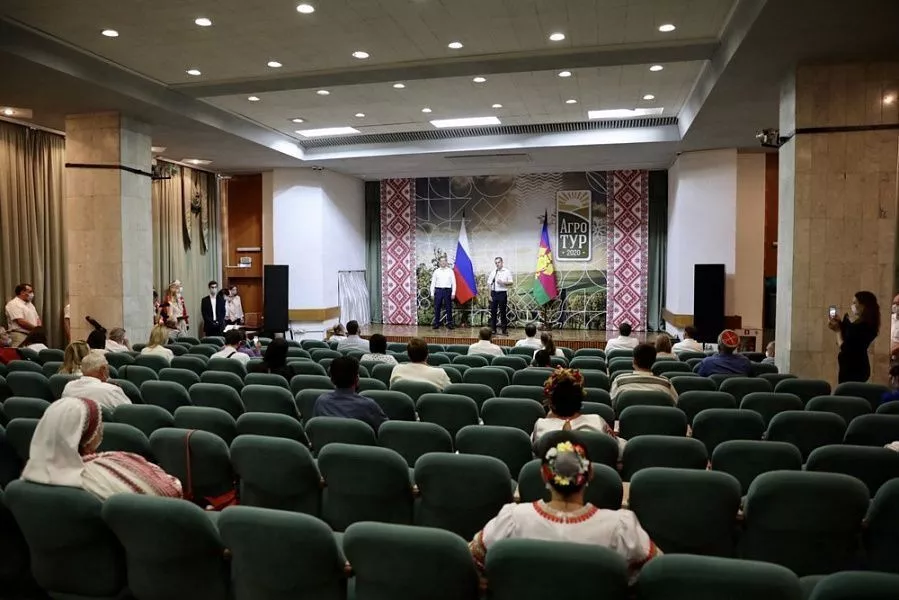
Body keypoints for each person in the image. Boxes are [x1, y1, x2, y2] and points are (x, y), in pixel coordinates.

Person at [469, 432, 659, 581]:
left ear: (543, 474)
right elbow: (659, 575)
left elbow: (470, 560)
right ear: (591, 473)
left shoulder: (512, 520)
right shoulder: (621, 529)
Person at [22, 397, 182, 500]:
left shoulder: (28, 479)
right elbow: (171, 491)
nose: (101, 428)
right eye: (98, 424)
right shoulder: (113, 467)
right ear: (87, 435)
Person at [531, 368, 621, 447]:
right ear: (580, 398)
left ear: (551, 402)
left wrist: (549, 417)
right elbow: (615, 449)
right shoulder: (598, 421)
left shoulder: (540, 425)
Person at [313, 357, 388, 431]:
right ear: (357, 378)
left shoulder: (321, 402)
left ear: (331, 379)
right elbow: (386, 432)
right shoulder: (369, 406)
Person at [829, 291, 880, 383]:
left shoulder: (864, 327)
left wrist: (838, 331)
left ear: (863, 305)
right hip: (854, 367)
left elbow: (845, 347)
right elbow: (849, 337)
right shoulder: (864, 324)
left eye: (854, 303)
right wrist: (839, 324)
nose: (852, 306)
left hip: (854, 369)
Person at [610, 343, 679, 406]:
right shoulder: (666, 383)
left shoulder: (620, 381)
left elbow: (612, 404)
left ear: (634, 361)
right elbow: (676, 404)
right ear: (654, 361)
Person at [61, 352, 131, 409]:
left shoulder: (69, 386)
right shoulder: (112, 390)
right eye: (107, 368)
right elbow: (128, 412)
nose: (108, 371)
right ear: (102, 369)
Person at [5, 283, 41, 347]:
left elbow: (37, 318)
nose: (32, 294)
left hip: (31, 335)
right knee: (19, 353)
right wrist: (36, 329)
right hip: (20, 335)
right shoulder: (13, 304)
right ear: (22, 292)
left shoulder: (30, 304)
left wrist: (38, 328)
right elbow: (21, 321)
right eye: (30, 292)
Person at [487, 256, 513, 335]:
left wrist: (503, 282)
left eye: (498, 262)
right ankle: (493, 329)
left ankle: (504, 330)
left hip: (502, 293)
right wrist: (489, 295)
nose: (497, 264)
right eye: (496, 263)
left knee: (503, 312)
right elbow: (489, 284)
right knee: (493, 312)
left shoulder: (507, 271)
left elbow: (511, 282)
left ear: (502, 262)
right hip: (494, 293)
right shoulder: (493, 272)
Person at [430, 255, 456, 330]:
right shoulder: (436, 271)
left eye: (444, 261)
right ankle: (436, 323)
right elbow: (433, 283)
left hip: (447, 290)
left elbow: (454, 283)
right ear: (439, 262)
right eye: (441, 261)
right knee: (437, 307)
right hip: (438, 290)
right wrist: (432, 293)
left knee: (448, 307)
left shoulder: (450, 271)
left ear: (446, 262)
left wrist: (453, 293)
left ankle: (449, 323)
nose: (443, 262)